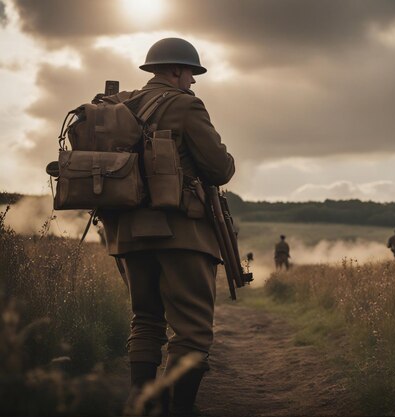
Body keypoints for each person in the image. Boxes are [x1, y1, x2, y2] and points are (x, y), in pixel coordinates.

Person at [99, 37, 235, 416]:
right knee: (192, 331)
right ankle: (179, 409)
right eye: (191, 73)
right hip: (181, 233)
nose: (193, 81)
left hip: (127, 233)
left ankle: (142, 404)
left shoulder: (119, 105)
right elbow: (219, 169)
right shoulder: (186, 105)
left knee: (145, 320)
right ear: (176, 70)